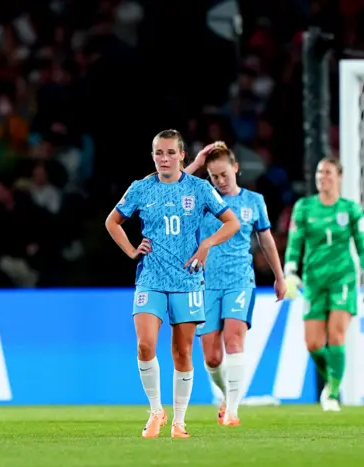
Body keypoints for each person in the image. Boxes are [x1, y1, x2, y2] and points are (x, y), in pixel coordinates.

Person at [105, 129, 240, 438]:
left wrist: (206, 245)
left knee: (182, 351)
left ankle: (179, 422)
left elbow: (232, 222)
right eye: (158, 153)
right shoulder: (140, 188)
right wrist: (130, 250)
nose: (163, 158)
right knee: (145, 344)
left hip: (188, 279)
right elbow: (112, 221)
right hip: (151, 278)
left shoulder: (200, 189)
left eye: (169, 153)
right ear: (152, 156)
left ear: (182, 156)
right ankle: (156, 411)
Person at [184, 141, 287, 426]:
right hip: (204, 284)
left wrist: (279, 276)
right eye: (214, 176)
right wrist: (198, 160)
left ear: (236, 168)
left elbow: (265, 240)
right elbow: (174, 187)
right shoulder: (203, 200)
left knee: (234, 340)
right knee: (212, 358)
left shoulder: (253, 201)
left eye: (223, 175)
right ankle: (224, 394)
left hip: (240, 280)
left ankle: (232, 409)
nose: (219, 181)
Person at [283, 157, 364, 412]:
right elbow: (295, 244)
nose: (322, 177)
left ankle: (333, 394)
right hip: (314, 279)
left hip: (343, 278)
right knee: (314, 344)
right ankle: (334, 377)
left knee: (337, 334)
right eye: (319, 172)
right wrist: (290, 272)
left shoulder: (350, 209)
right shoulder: (304, 207)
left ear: (339, 176)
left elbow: (362, 247)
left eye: (327, 172)